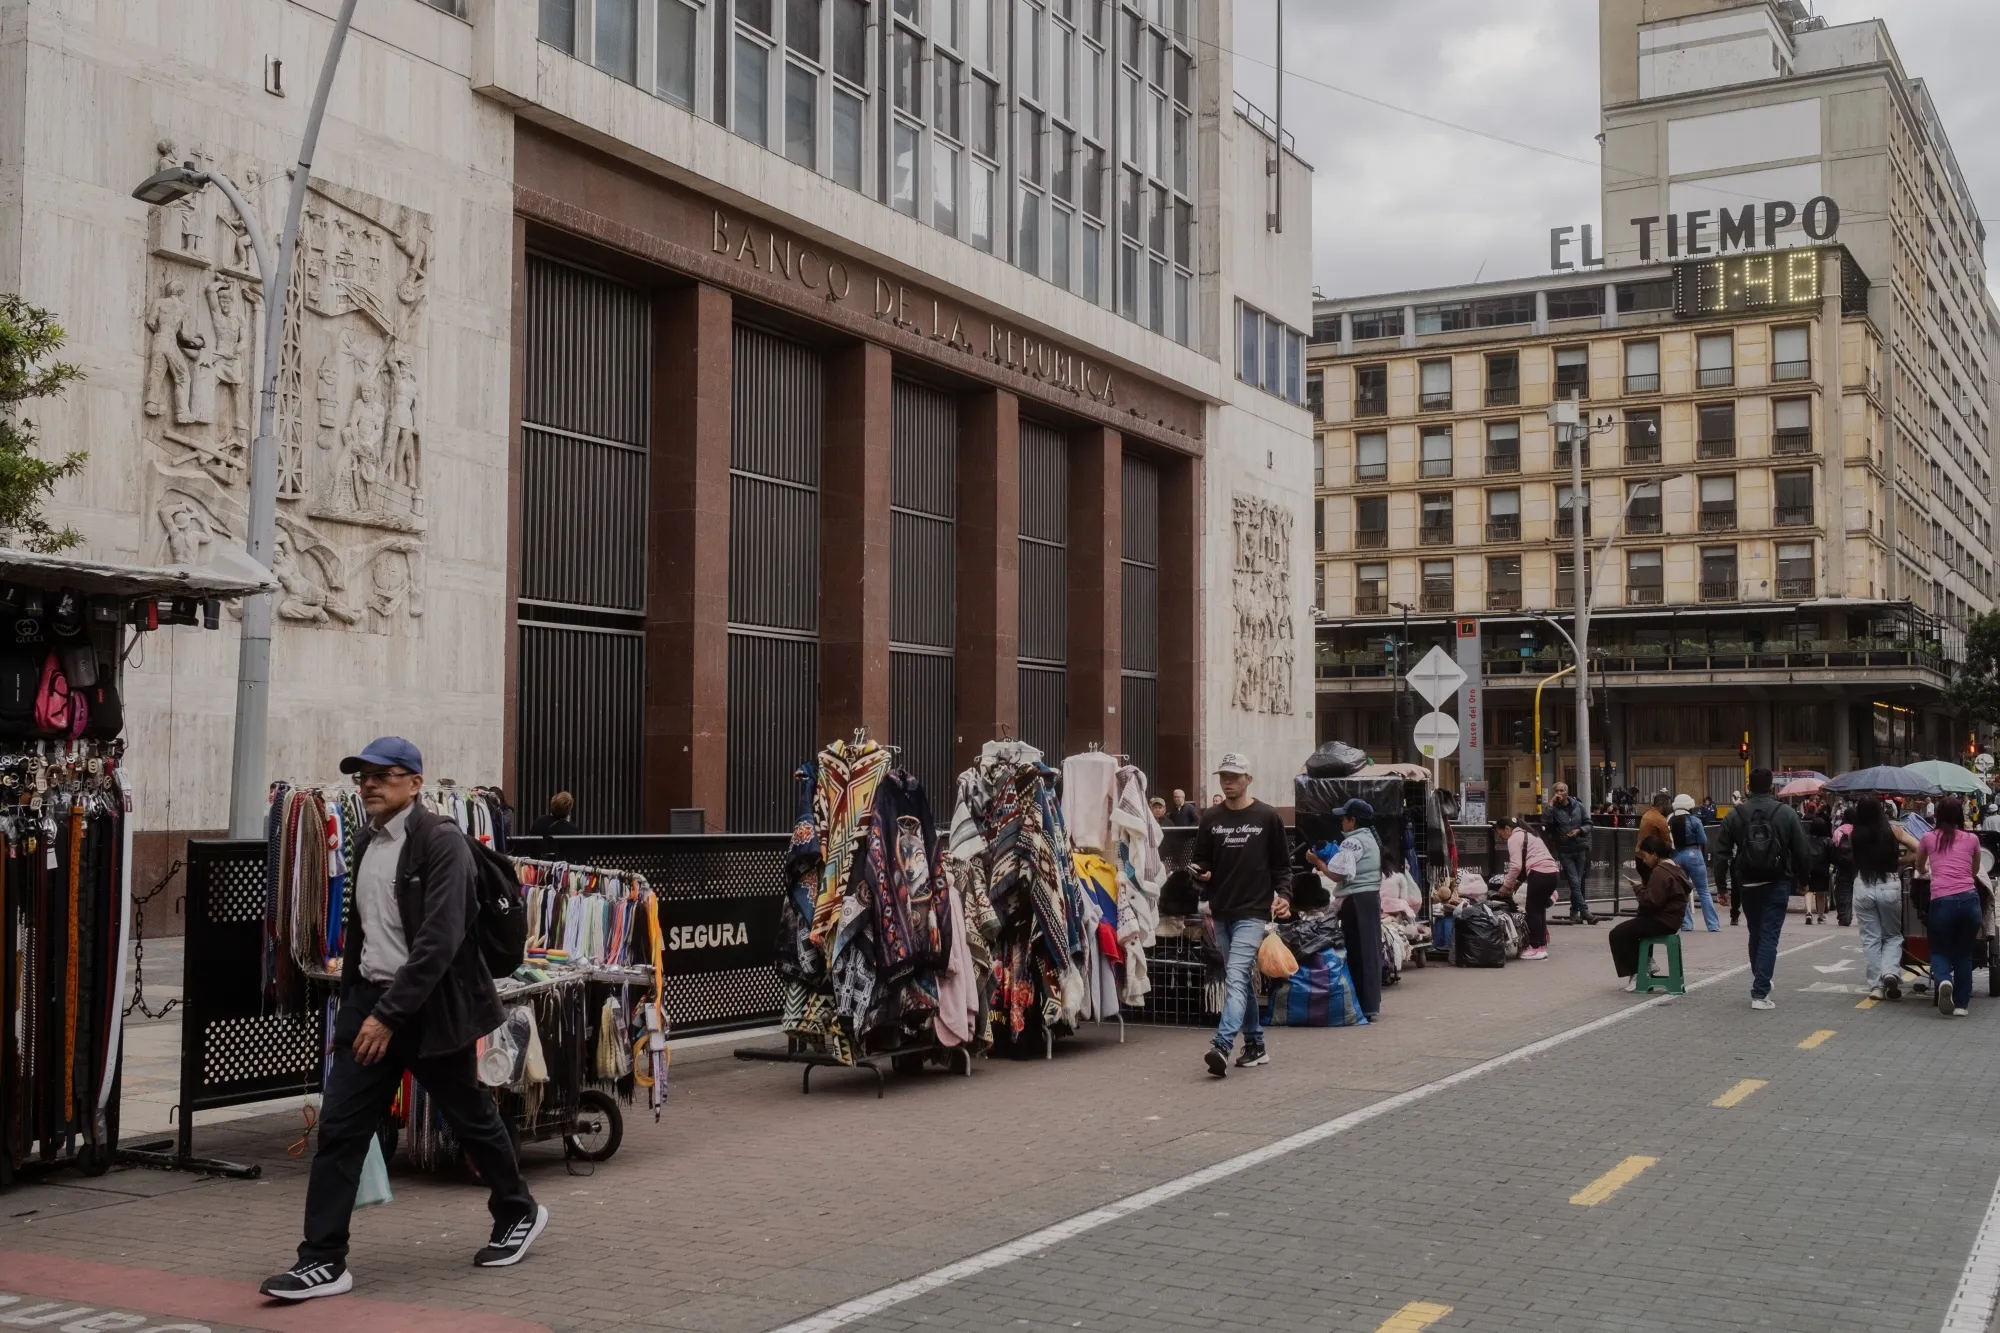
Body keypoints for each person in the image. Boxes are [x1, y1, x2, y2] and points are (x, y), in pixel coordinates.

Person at [261, 738, 546, 1301]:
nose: (370, 784)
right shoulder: (366, 843)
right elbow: (365, 936)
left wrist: (388, 1017)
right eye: (363, 775)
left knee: (470, 1118)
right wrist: (352, 1014)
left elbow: (438, 943)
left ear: (415, 783)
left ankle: (518, 1210)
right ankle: (322, 1260)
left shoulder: (442, 844)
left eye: (385, 775)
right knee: (340, 1129)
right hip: (373, 1004)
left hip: (430, 1008)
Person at [1190, 753, 1289, 1076]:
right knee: (1240, 981)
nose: (1227, 782)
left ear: (1249, 779)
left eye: (1234, 776)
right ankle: (1256, 1044)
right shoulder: (1211, 818)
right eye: (1223, 776)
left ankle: (1222, 1043)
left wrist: (1284, 896)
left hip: (1253, 911)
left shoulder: (1267, 817)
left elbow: (1282, 866)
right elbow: (1201, 860)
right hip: (1221, 911)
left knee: (1234, 976)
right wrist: (1200, 874)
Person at [1711, 768, 1812, 1011]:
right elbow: (1802, 851)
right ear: (1771, 787)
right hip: (1777, 882)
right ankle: (1760, 992)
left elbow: (1720, 853)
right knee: (1769, 936)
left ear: (1749, 786)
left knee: (1755, 933)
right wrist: (1804, 880)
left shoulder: (1735, 815)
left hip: (1746, 883)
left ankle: (1761, 978)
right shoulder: (1786, 813)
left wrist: (1722, 887)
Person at [1311, 797, 1386, 1021]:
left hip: (1357, 902)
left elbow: (1339, 875)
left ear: (1352, 821)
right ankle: (1370, 1004)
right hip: (1370, 899)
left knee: (1357, 952)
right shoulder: (1371, 839)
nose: (1341, 823)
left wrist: (1318, 863)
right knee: (1370, 952)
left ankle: (1360, 1005)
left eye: (1344, 818)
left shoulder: (1352, 842)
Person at [1846, 797, 1918, 1001]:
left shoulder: (1854, 834)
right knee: (1892, 936)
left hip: (1863, 885)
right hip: (1889, 884)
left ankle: (1876, 986)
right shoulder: (1893, 830)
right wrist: (1902, 861)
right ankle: (1890, 972)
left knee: (1871, 938)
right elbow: (1920, 848)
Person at [1914, 796, 1980, 1017]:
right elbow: (1974, 871)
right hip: (1970, 901)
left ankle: (1943, 980)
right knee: (1963, 954)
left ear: (1938, 815)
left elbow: (1919, 866)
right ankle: (1961, 1005)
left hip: (1942, 902)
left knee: (1940, 949)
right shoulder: (1972, 840)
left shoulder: (1927, 838)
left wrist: (1928, 871)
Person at [1610, 835, 1692, 991]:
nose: (1644, 861)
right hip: (1672, 919)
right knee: (1633, 929)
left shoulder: (1660, 871)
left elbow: (1651, 902)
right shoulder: (1676, 867)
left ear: (1654, 854)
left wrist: (1638, 888)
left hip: (1663, 920)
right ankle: (1646, 963)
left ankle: (1638, 972)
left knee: (1618, 933)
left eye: (1645, 856)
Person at [1495, 814, 1560, 960]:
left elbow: (1516, 866)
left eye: (1501, 834)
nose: (1502, 838)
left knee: (1533, 909)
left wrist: (1506, 886)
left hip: (1539, 874)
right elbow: (1526, 863)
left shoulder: (1514, 838)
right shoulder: (1531, 835)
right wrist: (1517, 883)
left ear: (1507, 828)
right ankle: (1541, 946)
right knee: (1539, 909)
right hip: (1553, 874)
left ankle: (1536, 947)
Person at [1542, 781, 1595, 925]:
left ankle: (1574, 913)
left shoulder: (1578, 806)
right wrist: (1551, 802)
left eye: (1562, 791)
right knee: (1574, 881)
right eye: (1557, 791)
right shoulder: (1554, 809)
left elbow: (1589, 823)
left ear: (1567, 792)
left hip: (1580, 848)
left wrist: (1579, 831)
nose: (1559, 793)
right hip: (1565, 850)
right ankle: (1585, 912)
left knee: (1576, 883)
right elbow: (1545, 820)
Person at [1669, 794, 1719, 932]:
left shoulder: (1671, 821)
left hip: (1677, 856)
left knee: (1682, 892)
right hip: (1694, 854)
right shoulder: (1695, 820)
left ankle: (1687, 924)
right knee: (1703, 891)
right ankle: (1713, 925)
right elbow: (1703, 840)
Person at [1802, 808, 1833, 925]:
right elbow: (1832, 856)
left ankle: (1809, 913)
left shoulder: (1805, 839)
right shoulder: (1827, 841)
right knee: (1821, 892)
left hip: (1808, 867)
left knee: (1808, 890)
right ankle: (1820, 915)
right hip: (1822, 868)